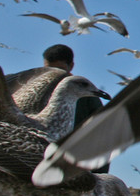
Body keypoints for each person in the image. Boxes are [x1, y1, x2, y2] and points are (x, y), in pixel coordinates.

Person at [42, 43, 109, 171]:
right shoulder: (38, 90)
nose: (54, 74)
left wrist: (96, 177)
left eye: (60, 69)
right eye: (48, 70)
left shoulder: (87, 95)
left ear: (71, 66)